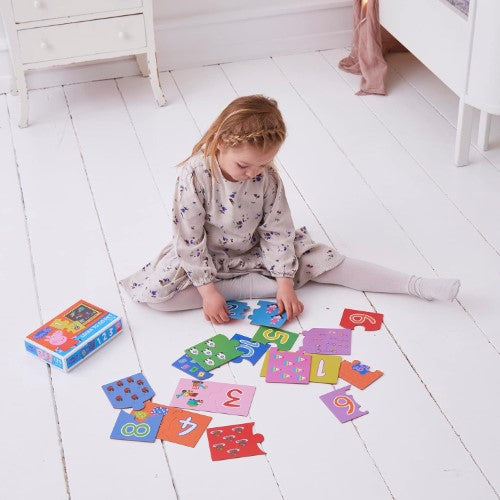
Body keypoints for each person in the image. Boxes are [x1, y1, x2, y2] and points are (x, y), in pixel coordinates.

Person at [120, 95, 460, 324]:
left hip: (258, 251)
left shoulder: (265, 176)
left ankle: (415, 285)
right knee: (159, 300)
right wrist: (208, 293)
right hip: (207, 257)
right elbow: (189, 239)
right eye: (244, 166)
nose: (254, 173)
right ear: (222, 143)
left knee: (330, 263)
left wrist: (284, 283)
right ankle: (242, 288)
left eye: (264, 164)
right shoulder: (194, 175)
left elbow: (277, 230)